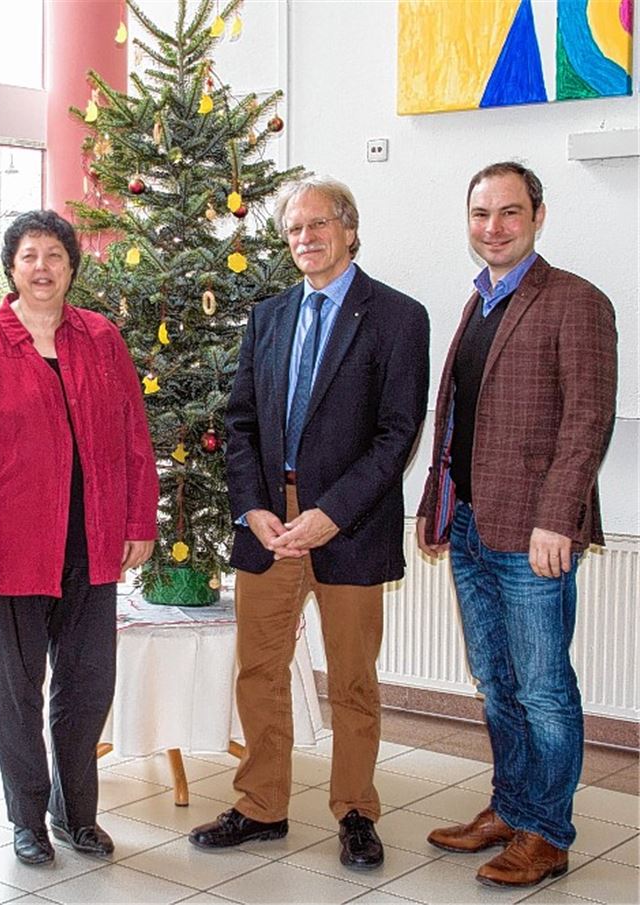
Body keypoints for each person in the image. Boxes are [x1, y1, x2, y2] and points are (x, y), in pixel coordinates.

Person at [189, 174, 430, 871]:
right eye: (294, 229)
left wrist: (331, 513)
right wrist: (253, 506)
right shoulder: (267, 317)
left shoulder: (396, 316)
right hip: (269, 522)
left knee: (352, 677)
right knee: (260, 669)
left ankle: (356, 810)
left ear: (349, 229)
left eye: (318, 225)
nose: (305, 239)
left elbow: (397, 432)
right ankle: (262, 805)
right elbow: (238, 422)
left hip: (347, 523)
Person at [0, 210, 158, 865]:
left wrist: (138, 520)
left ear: (70, 267)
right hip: (11, 552)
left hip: (91, 544)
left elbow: (133, 439)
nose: (42, 267)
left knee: (86, 685)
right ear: (12, 268)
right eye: (29, 255)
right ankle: (27, 817)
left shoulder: (102, 339)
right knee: (19, 689)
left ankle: (75, 812)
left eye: (54, 256)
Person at [417, 161, 617, 888]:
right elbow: (457, 421)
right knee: (496, 682)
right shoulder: (480, 302)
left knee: (542, 689)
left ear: (537, 214)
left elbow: (587, 421)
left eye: (507, 212)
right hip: (471, 524)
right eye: (480, 214)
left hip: (534, 534)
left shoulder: (574, 301)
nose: (492, 227)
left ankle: (548, 832)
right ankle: (511, 806)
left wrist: (557, 518)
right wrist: (437, 507)